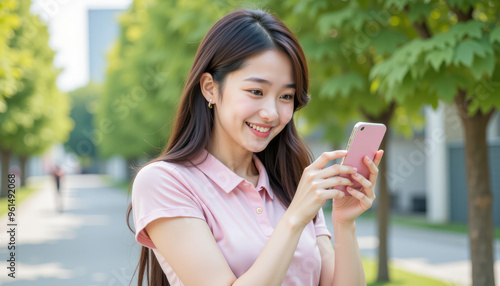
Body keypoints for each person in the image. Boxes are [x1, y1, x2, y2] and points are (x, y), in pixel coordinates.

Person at [127, 8, 384, 286]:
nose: (272, 113)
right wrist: (295, 217)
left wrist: (344, 222)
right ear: (210, 88)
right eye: (256, 92)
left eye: (286, 96)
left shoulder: (290, 180)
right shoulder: (165, 182)